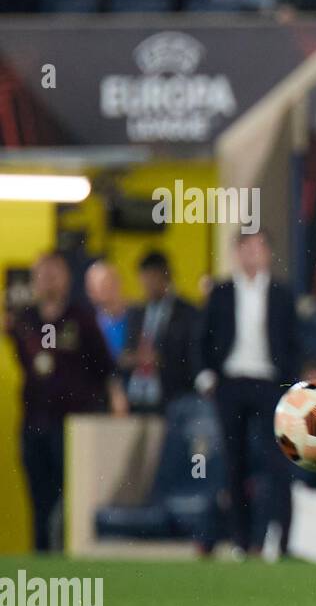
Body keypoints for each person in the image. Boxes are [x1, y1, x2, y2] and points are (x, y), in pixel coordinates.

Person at [194, 231, 300, 557]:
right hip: (231, 383)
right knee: (233, 464)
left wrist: (290, 384)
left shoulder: (282, 294)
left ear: (268, 253)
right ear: (237, 254)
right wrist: (205, 377)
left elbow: (294, 342)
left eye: (258, 248)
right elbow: (201, 339)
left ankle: (279, 540)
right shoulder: (221, 292)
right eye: (246, 249)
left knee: (278, 464)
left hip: (270, 383)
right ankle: (240, 541)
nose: (252, 255)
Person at [7, 252, 120, 551]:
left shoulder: (81, 318)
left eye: (53, 274)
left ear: (67, 278)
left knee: (69, 495)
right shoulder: (25, 320)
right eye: (41, 275)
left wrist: (113, 399)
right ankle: (41, 556)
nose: (47, 281)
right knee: (38, 497)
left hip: (71, 424)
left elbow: (105, 367)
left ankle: (70, 553)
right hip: (34, 421)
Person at [121, 251, 199, 410]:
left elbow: (191, 356)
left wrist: (161, 359)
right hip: (135, 397)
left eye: (152, 277)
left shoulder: (187, 313)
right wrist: (135, 358)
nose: (147, 284)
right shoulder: (135, 313)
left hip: (173, 398)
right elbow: (125, 353)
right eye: (144, 278)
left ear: (166, 276)